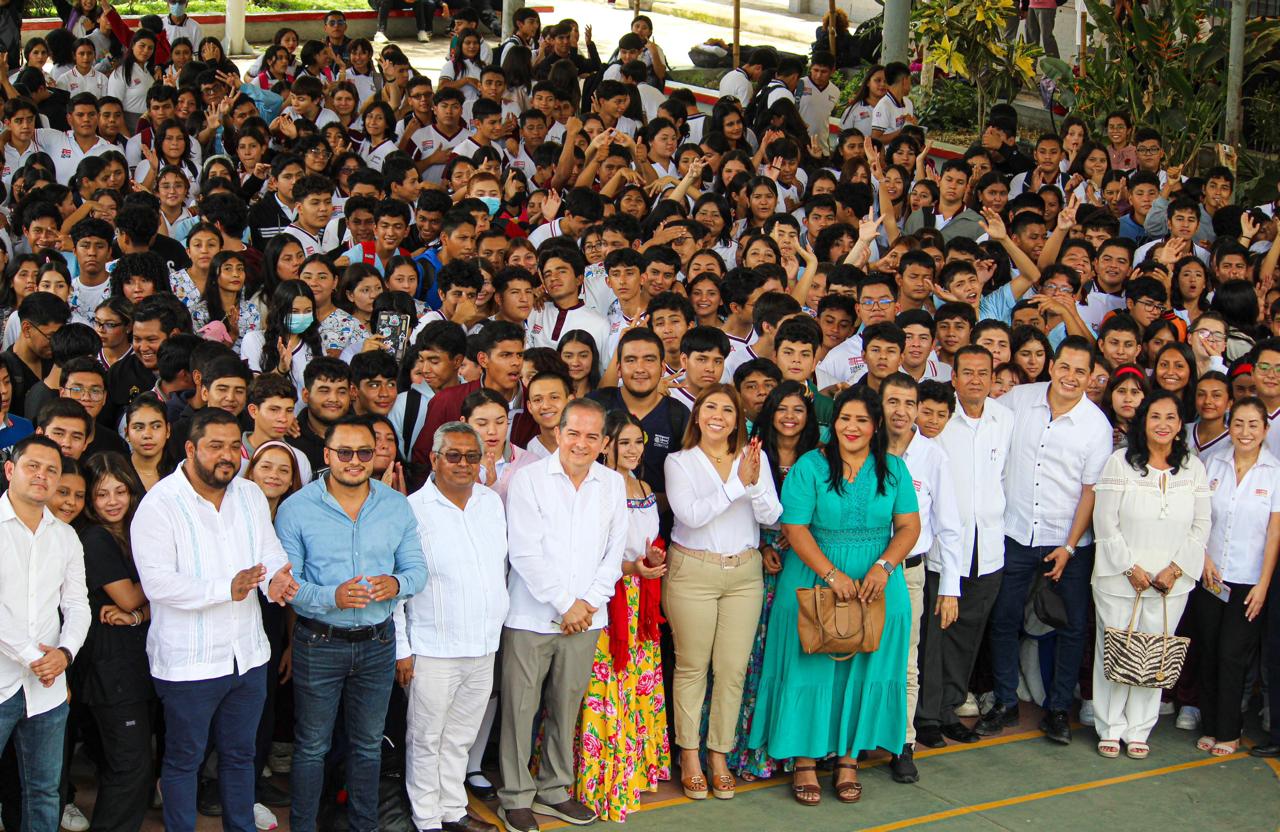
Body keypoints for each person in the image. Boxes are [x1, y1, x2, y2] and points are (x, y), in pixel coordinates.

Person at [748, 385, 921, 805]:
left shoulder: (893, 469)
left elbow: (909, 528)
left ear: (876, 425)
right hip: (813, 576)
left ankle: (848, 758)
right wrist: (831, 574)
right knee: (812, 668)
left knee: (865, 669)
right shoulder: (811, 465)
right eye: (845, 418)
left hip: (877, 582)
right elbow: (794, 527)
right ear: (833, 422)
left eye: (862, 420)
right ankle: (805, 760)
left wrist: (883, 567)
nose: (853, 427)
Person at [130, 407, 299, 832]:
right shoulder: (159, 505)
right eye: (214, 447)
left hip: (248, 655)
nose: (227, 456)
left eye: (233, 446)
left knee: (241, 756)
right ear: (190, 448)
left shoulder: (249, 494)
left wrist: (275, 579)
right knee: (184, 760)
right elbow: (157, 585)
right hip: (191, 661)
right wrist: (226, 588)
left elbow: (268, 549)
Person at [274, 414, 427, 832]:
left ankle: (365, 826)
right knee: (311, 747)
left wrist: (395, 583)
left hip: (378, 642)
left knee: (367, 746)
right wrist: (332, 597)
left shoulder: (396, 505)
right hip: (319, 643)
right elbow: (287, 585)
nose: (356, 460)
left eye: (365, 451)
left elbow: (418, 572)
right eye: (345, 452)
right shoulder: (296, 509)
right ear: (327, 455)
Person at [498, 397, 627, 832]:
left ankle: (554, 790)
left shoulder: (611, 484)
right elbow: (525, 552)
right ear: (558, 433)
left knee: (566, 706)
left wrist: (587, 604)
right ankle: (515, 795)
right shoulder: (529, 479)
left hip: (587, 618)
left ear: (605, 441)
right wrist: (565, 604)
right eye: (574, 433)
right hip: (532, 616)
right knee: (520, 709)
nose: (581, 443)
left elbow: (615, 553)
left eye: (593, 436)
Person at [977, 336, 1112, 745]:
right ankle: (1004, 700)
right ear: (1052, 366)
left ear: (1090, 377)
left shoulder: (1096, 426)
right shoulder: (1018, 400)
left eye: (1080, 371)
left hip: (1067, 542)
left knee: (1070, 627)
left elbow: (1091, 491)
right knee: (1003, 619)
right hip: (1014, 532)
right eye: (1065, 367)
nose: (1071, 377)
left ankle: (1056, 709)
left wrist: (1069, 547)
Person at [662, 384, 781, 801]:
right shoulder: (680, 461)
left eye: (727, 409)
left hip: (744, 573)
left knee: (732, 670)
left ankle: (719, 754)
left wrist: (754, 483)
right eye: (710, 407)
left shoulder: (755, 457)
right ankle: (689, 755)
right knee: (692, 667)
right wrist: (737, 483)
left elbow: (771, 515)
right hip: (694, 570)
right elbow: (690, 516)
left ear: (738, 418)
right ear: (697, 416)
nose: (718, 415)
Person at [1090, 390, 1210, 759]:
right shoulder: (1119, 462)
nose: (1162, 424)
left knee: (1155, 653)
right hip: (1119, 577)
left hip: (1170, 583)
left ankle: (1140, 729)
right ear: (1143, 421)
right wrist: (1129, 566)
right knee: (1115, 649)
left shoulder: (1192, 466)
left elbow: (1201, 525)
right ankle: (1110, 727)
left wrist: (1175, 570)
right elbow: (1105, 522)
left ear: (1179, 426)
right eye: (1155, 416)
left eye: (1170, 418)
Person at [399, 421, 506, 832]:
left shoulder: (490, 503)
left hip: (483, 644)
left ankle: (453, 812)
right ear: (434, 459)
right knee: (426, 738)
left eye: (472, 456)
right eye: (454, 456)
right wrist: (401, 649)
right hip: (432, 647)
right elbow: (399, 588)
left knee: (460, 736)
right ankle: (427, 820)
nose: (464, 464)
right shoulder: (412, 510)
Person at [575, 411, 670, 820]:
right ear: (606, 445)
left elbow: (641, 541)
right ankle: (601, 777)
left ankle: (631, 769)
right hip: (608, 595)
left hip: (640, 596)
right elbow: (597, 549)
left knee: (636, 681)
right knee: (608, 682)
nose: (633, 450)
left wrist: (650, 558)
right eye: (624, 442)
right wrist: (633, 567)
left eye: (638, 442)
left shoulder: (644, 485)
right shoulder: (598, 488)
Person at [918, 345, 1013, 746]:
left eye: (983, 373)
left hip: (988, 545)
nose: (976, 380)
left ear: (993, 379)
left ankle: (950, 710)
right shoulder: (939, 420)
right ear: (953, 378)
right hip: (942, 547)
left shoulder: (1004, 419)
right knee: (935, 635)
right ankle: (925, 716)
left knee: (968, 635)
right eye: (967, 373)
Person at [0, 435, 90, 831]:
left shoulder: (66, 536)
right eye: (32, 466)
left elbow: (77, 605)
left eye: (51, 469)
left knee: (44, 791)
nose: (42, 476)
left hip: (48, 689)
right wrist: (35, 657)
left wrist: (65, 654)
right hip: (4, 681)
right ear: (9, 471)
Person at [76, 452, 155, 832]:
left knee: (134, 764)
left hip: (137, 661)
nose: (112, 501)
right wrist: (163, 580)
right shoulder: (95, 538)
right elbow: (128, 598)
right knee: (130, 764)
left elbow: (145, 604)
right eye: (101, 493)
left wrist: (141, 612)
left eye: (119, 491)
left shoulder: (137, 531)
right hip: (110, 666)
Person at [1197, 397, 1280, 757]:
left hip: (1248, 580)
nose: (1245, 432)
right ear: (1229, 426)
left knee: (1233, 655)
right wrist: (1202, 559)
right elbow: (1196, 518)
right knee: (1210, 651)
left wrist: (1263, 585)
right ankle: (1210, 726)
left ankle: (1229, 730)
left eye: (1253, 425)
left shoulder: (1275, 472)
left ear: (1266, 430)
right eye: (1239, 424)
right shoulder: (1209, 464)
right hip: (1211, 576)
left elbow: (1275, 534)